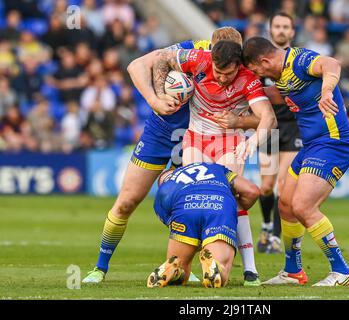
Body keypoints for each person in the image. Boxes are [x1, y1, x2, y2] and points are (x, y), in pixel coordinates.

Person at [82, 27, 250, 284]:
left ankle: (187, 268)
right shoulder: (190, 51)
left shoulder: (240, 65)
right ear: (210, 47)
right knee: (127, 201)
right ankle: (100, 267)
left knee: (202, 201)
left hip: (200, 137)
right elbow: (136, 65)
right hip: (161, 132)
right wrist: (155, 99)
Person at [151, 40, 277, 286]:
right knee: (192, 196)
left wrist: (251, 144)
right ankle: (195, 261)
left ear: (238, 66)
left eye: (228, 73)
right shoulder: (197, 58)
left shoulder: (248, 78)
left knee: (232, 197)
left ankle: (250, 268)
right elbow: (162, 58)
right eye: (218, 72)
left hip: (229, 142)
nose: (221, 78)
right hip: (195, 138)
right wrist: (160, 94)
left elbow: (268, 118)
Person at [242, 37, 349, 286]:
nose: (257, 75)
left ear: (264, 61)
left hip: (333, 143)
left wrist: (327, 91)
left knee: (303, 207)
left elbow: (332, 64)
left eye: (256, 71)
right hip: (312, 146)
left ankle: (342, 270)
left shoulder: (298, 60)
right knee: (285, 205)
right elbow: (280, 95)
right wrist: (249, 95)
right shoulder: (281, 76)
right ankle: (293, 271)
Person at [147, 162, 260, 288]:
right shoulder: (215, 168)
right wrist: (235, 210)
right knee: (222, 266)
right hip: (218, 205)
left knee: (180, 264)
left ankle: (177, 272)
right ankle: (216, 267)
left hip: (185, 210)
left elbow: (173, 224)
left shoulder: (163, 190)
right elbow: (252, 191)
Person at [257, 12, 302, 254]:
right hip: (269, 127)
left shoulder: (298, 60)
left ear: (292, 32)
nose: (282, 30)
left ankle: (275, 237)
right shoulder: (259, 61)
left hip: (293, 127)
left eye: (286, 26)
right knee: (266, 186)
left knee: (284, 186)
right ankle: (265, 226)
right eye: (277, 26)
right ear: (270, 29)